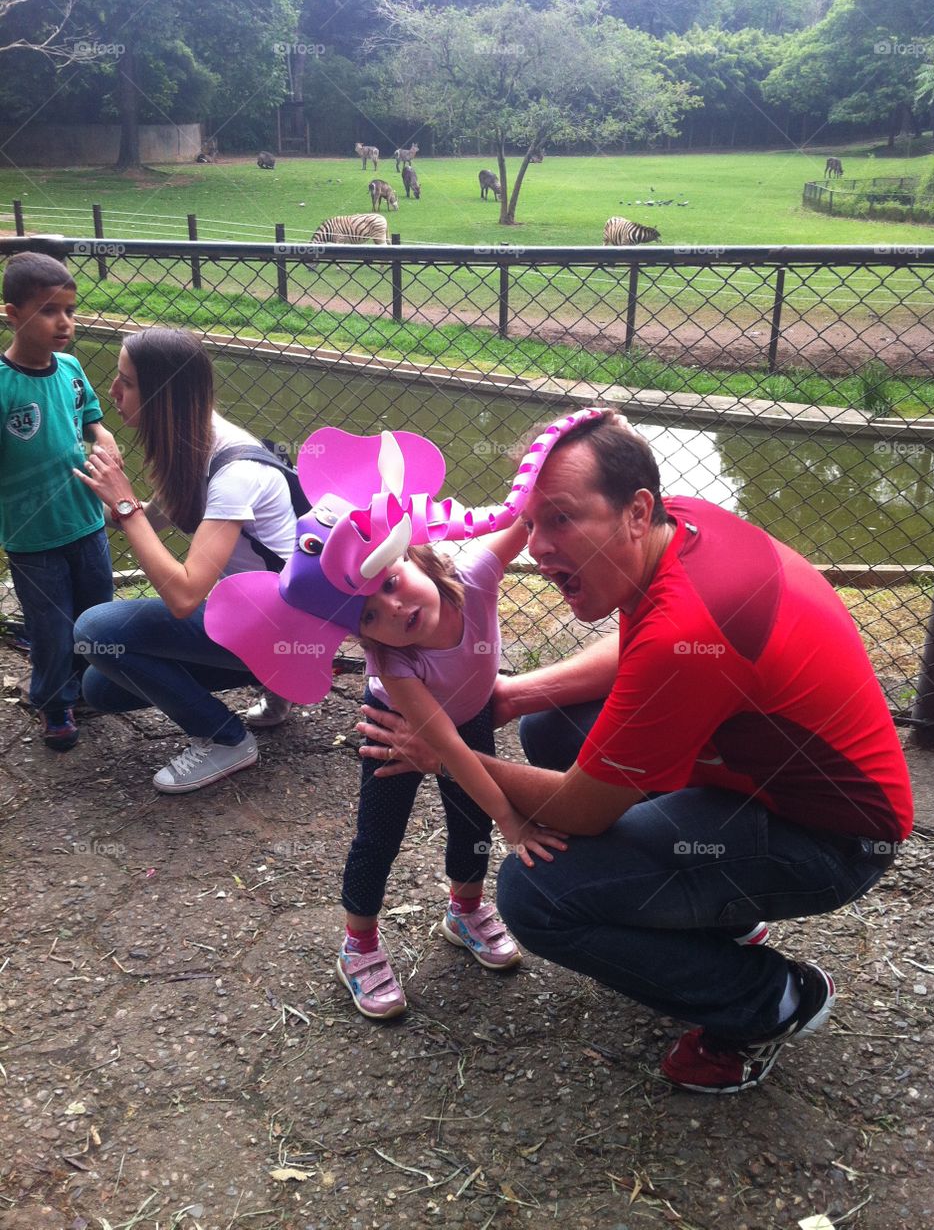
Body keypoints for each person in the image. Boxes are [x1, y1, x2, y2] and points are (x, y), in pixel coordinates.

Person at [356, 408, 914, 1092]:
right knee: (550, 728)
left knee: (536, 896)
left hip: (834, 841)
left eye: (561, 519)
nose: (537, 548)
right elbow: (646, 641)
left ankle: (767, 1000)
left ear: (633, 509)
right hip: (764, 784)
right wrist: (514, 695)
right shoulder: (679, 525)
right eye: (531, 522)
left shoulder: (686, 637)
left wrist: (439, 756)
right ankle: (720, 911)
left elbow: (582, 810)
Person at [335, 524, 567, 1019]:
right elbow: (449, 751)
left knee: (470, 822)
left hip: (473, 712)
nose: (393, 609)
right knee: (378, 837)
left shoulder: (478, 573)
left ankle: (463, 912)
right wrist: (513, 819)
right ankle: (358, 943)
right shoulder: (391, 661)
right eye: (370, 615)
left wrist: (556, 451)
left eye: (391, 582)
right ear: (363, 635)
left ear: (415, 556)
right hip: (395, 729)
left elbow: (526, 519)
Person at [72, 327, 298, 793]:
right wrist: (87, 483)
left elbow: (183, 595)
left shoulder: (233, 470)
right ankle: (279, 685)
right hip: (263, 620)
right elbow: (148, 523)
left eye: (126, 383)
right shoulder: (195, 439)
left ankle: (227, 739)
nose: (112, 392)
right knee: (100, 686)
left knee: (95, 630)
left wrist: (128, 504)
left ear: (163, 395)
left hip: (283, 634)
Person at [0, 251, 119, 750]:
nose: (64, 322)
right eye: (49, 311)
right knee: (51, 625)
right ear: (12, 314)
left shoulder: (70, 367)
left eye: (70, 310)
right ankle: (54, 701)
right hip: (32, 536)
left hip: (86, 521)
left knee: (96, 612)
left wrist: (101, 435)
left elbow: (89, 413)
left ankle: (86, 685)